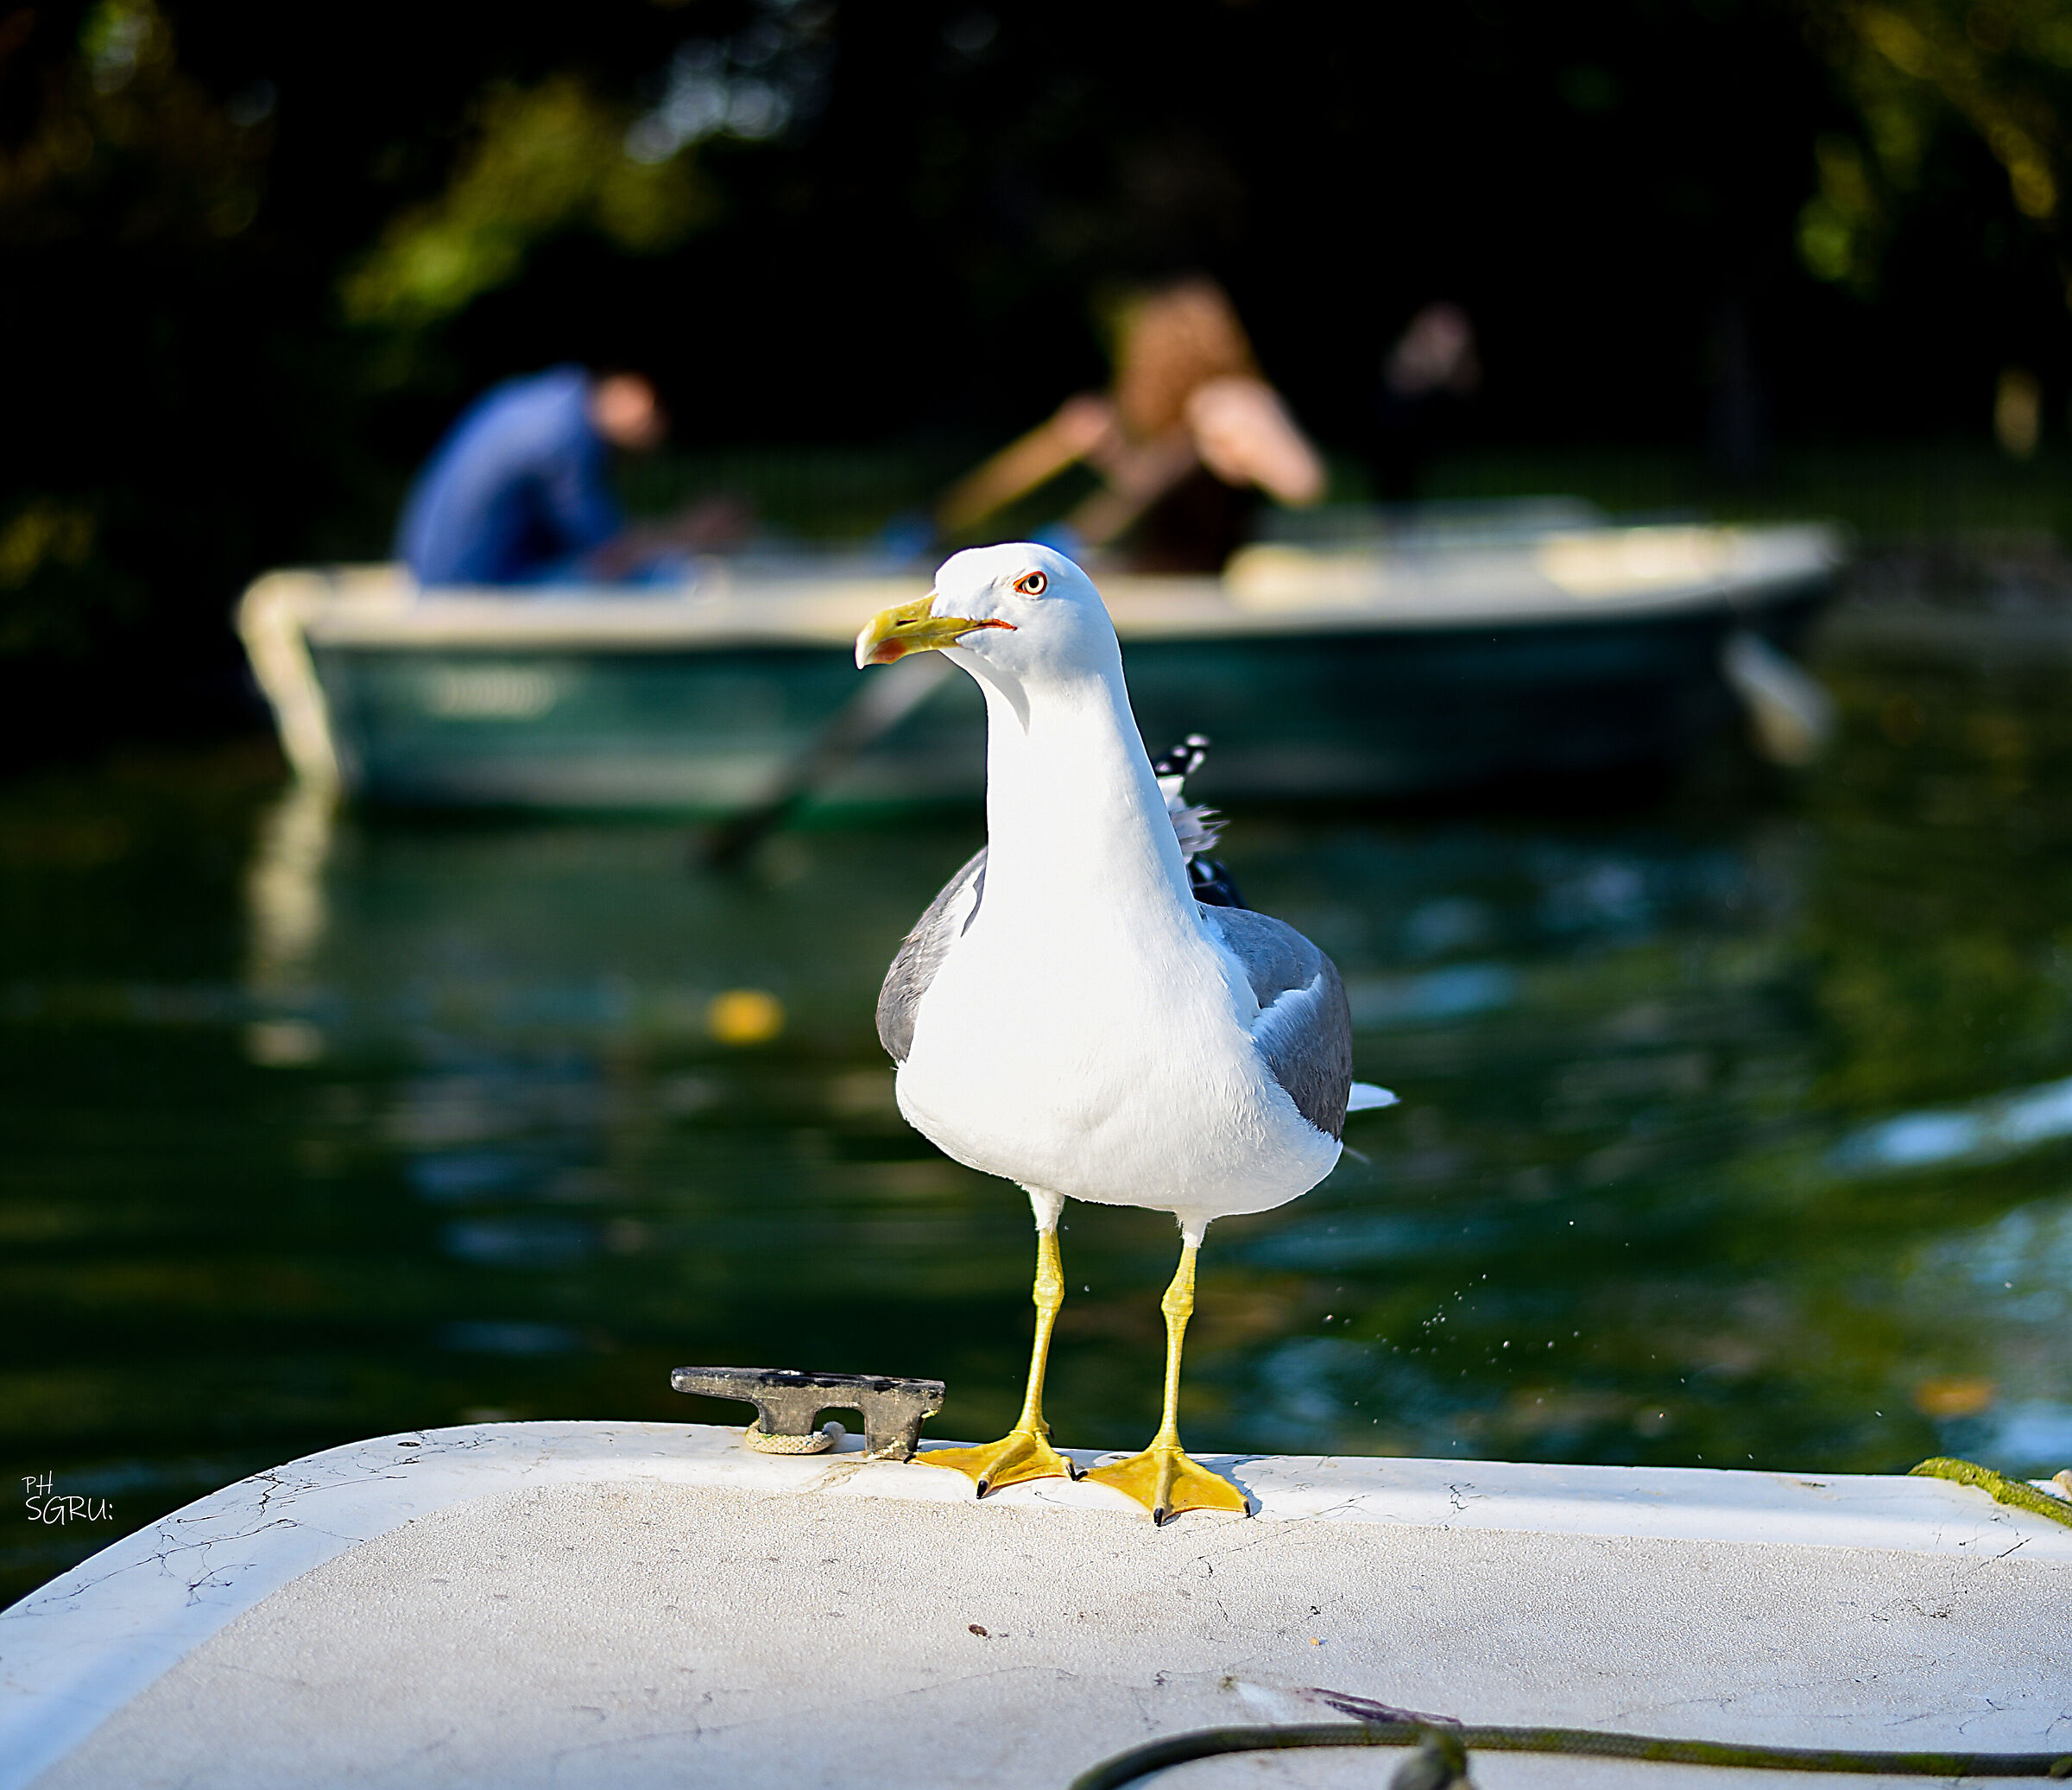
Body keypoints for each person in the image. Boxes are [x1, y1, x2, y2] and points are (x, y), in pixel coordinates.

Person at [936, 278, 1324, 574]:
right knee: (1083, 426)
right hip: (1153, 573)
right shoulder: (1170, 424)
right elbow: (1145, 484)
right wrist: (1111, 451)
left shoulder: (1229, 406)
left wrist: (1241, 444)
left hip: (1200, 586)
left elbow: (1304, 485)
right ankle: (938, 522)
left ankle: (1044, 548)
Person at [395, 366, 741, 588]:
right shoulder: (566, 434)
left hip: (439, 575)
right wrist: (690, 533)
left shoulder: (541, 401)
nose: (658, 434)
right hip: (469, 589)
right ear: (638, 393)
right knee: (673, 581)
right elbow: (611, 555)